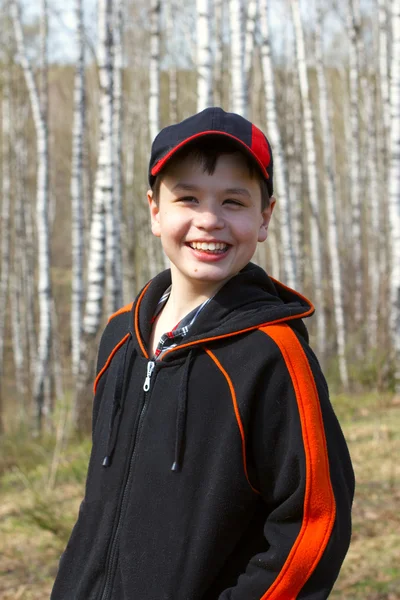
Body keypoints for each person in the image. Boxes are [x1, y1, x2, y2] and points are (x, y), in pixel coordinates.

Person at [51, 107, 354, 600]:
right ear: (154, 211)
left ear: (264, 217)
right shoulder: (119, 338)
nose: (209, 220)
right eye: (187, 198)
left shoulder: (272, 356)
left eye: (234, 201)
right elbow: (103, 504)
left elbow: (314, 522)